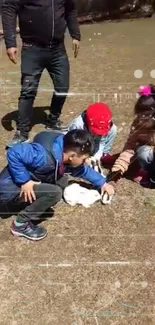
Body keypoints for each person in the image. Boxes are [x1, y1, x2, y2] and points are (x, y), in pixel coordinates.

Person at [0, 129, 114, 241]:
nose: (85, 162)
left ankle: (29, 201)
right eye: (84, 159)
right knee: (54, 193)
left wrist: (102, 182)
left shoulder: (63, 147)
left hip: (27, 179)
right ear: (72, 156)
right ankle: (20, 224)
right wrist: (24, 181)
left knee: (62, 181)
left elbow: (82, 170)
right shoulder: (43, 156)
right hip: (7, 192)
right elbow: (14, 152)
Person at [2, 0, 81, 147]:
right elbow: (8, 9)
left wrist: (75, 34)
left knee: (62, 87)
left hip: (57, 49)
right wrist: (10, 42)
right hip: (32, 49)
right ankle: (22, 132)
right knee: (28, 91)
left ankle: (53, 120)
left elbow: (70, 9)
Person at [111, 84, 155, 185]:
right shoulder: (138, 124)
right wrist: (115, 173)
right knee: (143, 152)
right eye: (138, 117)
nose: (140, 121)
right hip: (150, 155)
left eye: (144, 118)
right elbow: (129, 148)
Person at [68, 102, 117, 168]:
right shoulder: (77, 125)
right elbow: (71, 144)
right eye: (95, 131)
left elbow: (101, 142)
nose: (97, 133)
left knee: (114, 129)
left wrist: (97, 157)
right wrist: (83, 157)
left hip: (94, 143)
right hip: (80, 145)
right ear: (88, 122)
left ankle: (104, 154)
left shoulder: (108, 126)